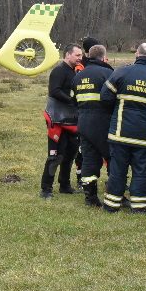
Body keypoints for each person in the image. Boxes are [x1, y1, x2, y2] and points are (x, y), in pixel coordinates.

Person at [100, 43, 146, 214]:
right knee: (141, 172)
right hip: (145, 137)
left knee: (118, 171)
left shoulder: (121, 72)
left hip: (120, 134)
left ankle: (111, 206)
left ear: (136, 54)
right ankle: (139, 208)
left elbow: (105, 97)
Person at [72, 44, 114, 207]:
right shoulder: (108, 73)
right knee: (113, 158)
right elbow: (112, 99)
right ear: (103, 57)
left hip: (83, 123)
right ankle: (114, 193)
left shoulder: (78, 76)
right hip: (103, 122)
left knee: (89, 160)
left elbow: (73, 100)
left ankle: (90, 198)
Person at [40, 44, 83, 198]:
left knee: (70, 153)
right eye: (77, 55)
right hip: (56, 119)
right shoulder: (59, 71)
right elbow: (54, 91)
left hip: (71, 120)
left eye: (81, 55)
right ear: (67, 55)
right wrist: (72, 100)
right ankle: (46, 189)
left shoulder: (75, 71)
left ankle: (64, 185)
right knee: (55, 155)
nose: (80, 58)